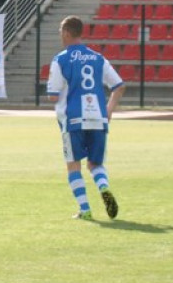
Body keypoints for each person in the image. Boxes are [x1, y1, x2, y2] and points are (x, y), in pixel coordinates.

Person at [46, 16, 126, 221]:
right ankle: (103, 186)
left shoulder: (61, 59)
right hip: (98, 117)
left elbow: (53, 95)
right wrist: (109, 110)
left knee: (73, 165)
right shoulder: (98, 58)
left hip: (73, 119)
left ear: (66, 33)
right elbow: (119, 86)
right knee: (95, 163)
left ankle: (85, 209)